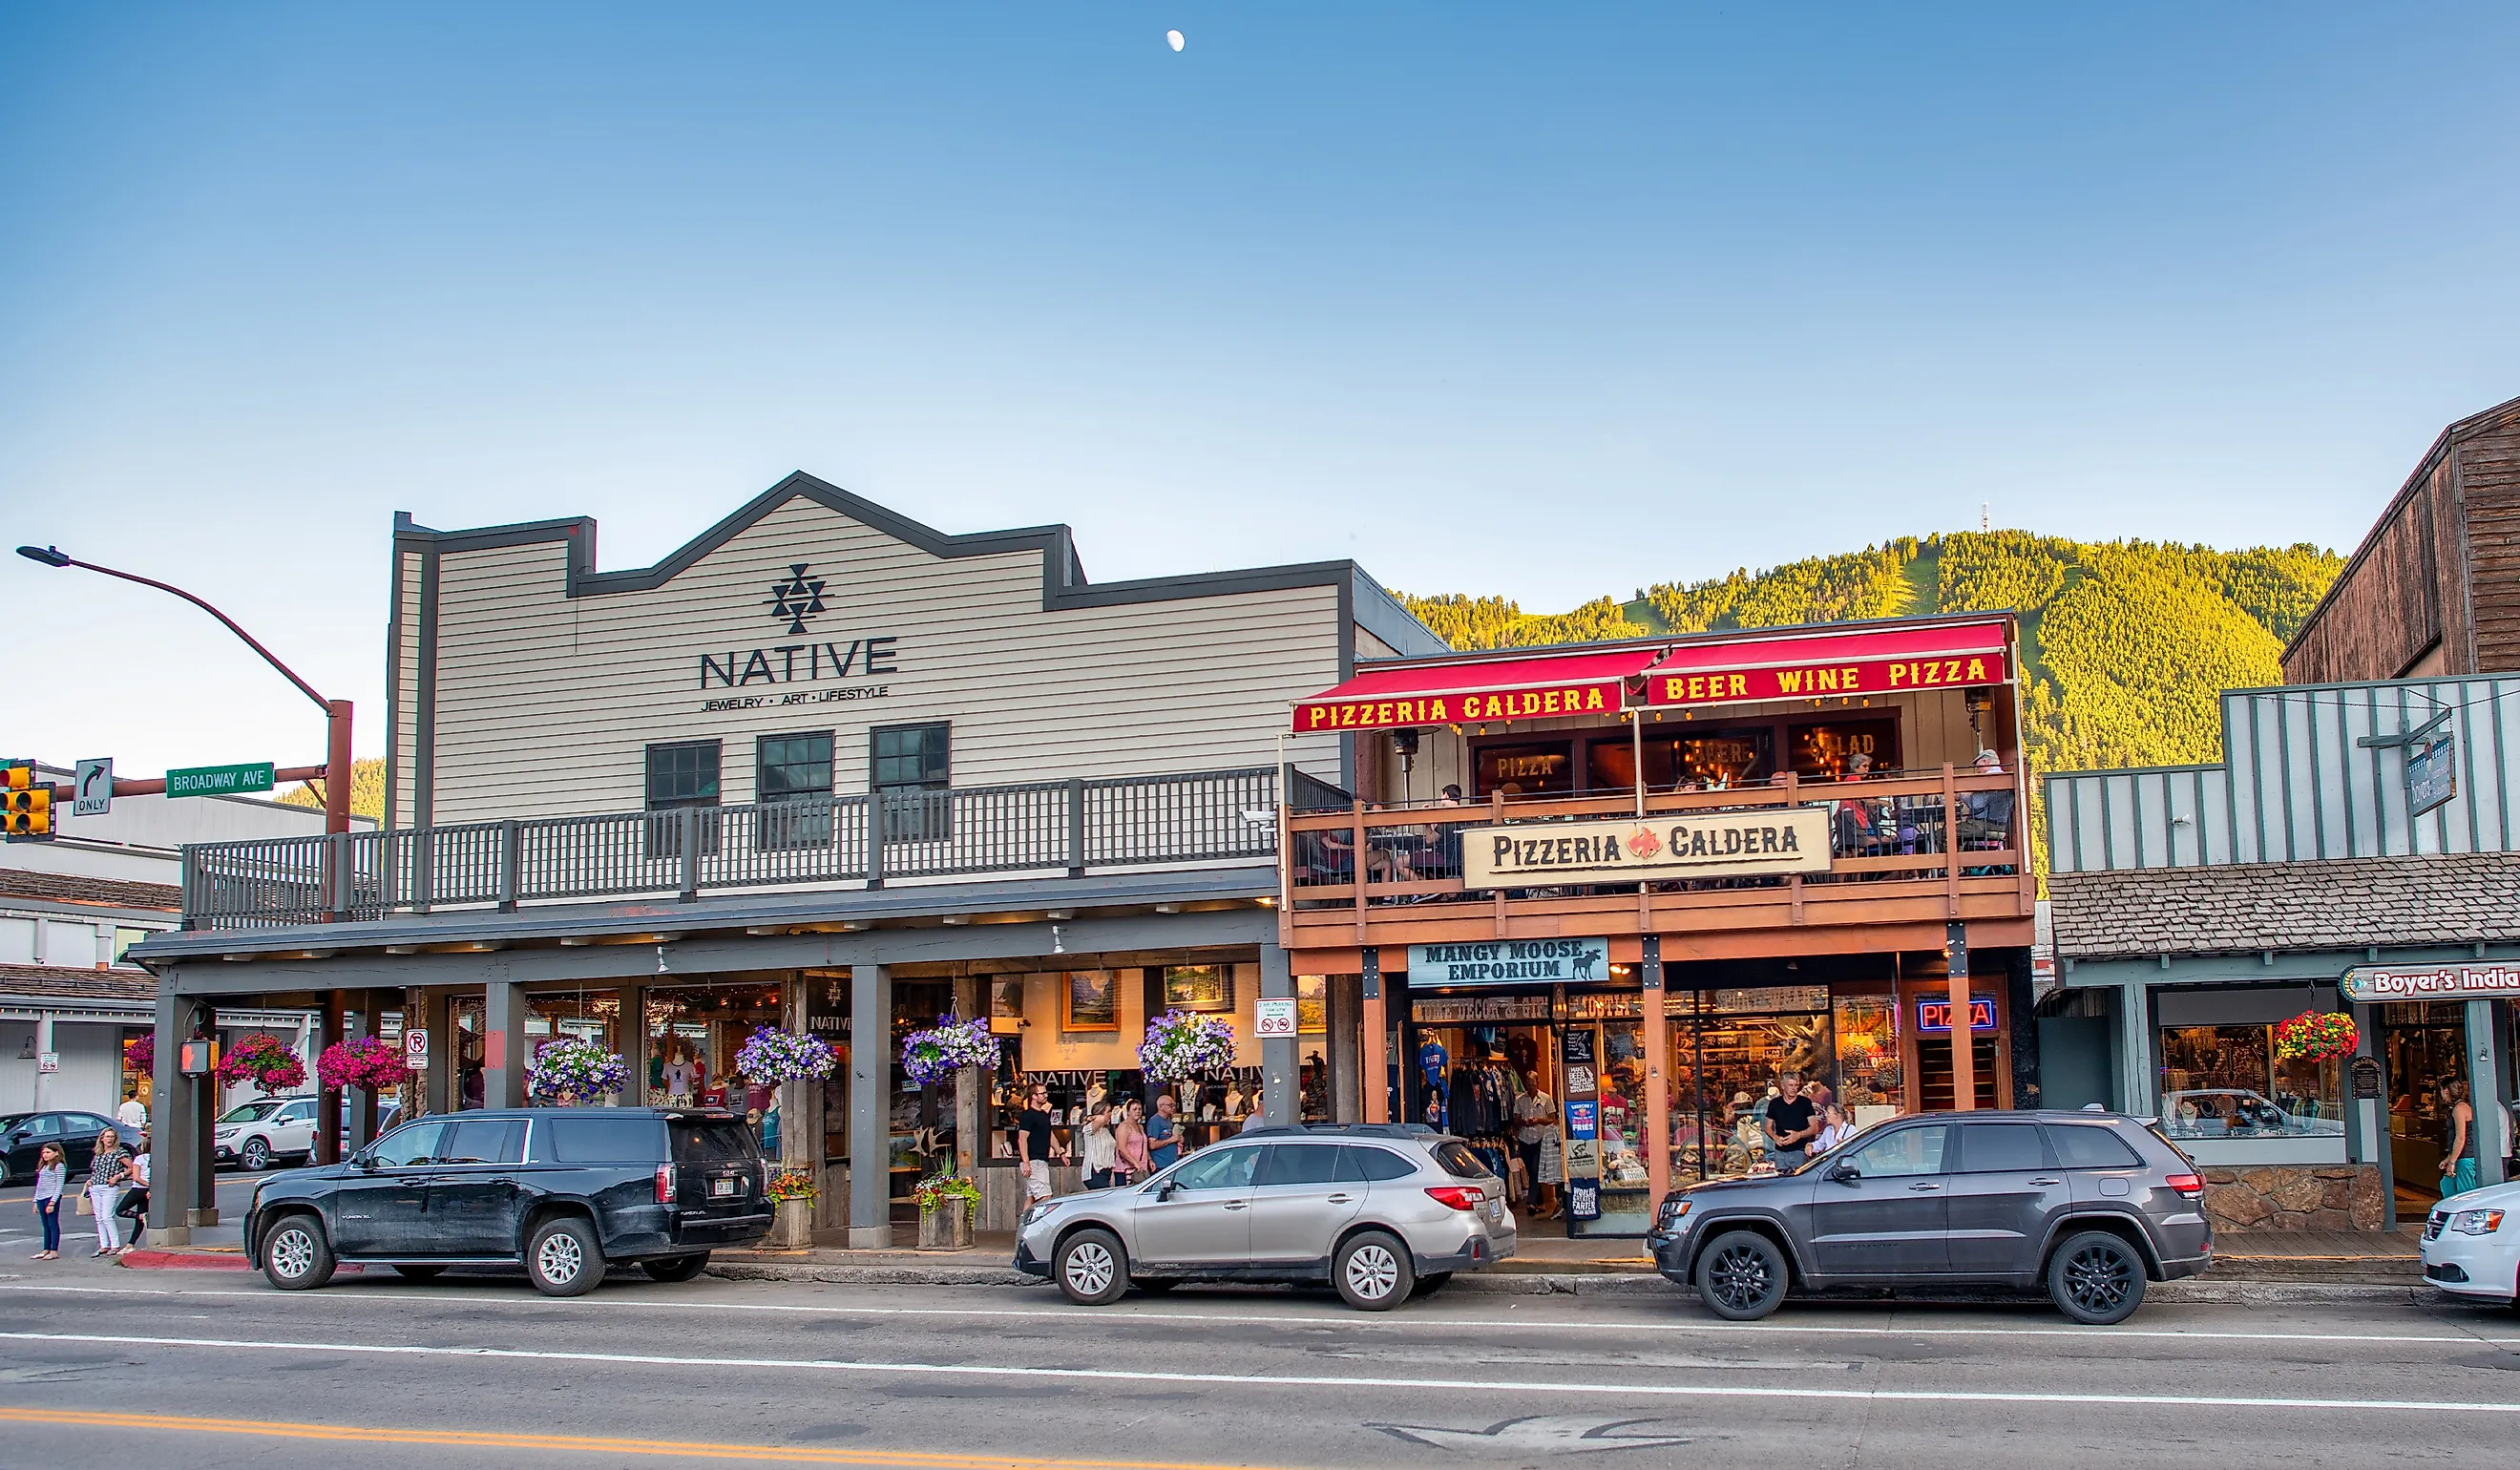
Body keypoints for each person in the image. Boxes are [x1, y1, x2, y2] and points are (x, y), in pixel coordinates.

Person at [1512, 1068, 1560, 1220]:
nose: (1530, 1088)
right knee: (1531, 1170)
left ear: (1537, 1084)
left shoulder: (1546, 1098)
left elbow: (1553, 1119)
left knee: (1535, 1169)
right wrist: (1522, 1122)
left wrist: (1539, 1121)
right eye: (1528, 1085)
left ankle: (1531, 1202)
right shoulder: (1520, 1100)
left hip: (1541, 1138)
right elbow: (1516, 1119)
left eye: (1532, 1085)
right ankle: (1540, 1204)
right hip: (1525, 1138)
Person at [85, 1126, 133, 1258]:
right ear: (102, 1138)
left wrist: (119, 1176)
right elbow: (95, 1170)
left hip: (109, 1187)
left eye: (112, 1137)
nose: (109, 1139)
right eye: (107, 1137)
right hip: (95, 1186)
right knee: (99, 1218)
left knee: (107, 1216)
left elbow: (131, 1167)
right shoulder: (98, 1154)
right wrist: (90, 1181)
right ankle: (104, 1245)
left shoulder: (119, 1153)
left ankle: (115, 1245)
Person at [1763, 1073, 1820, 1169]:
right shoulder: (1775, 1103)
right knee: (1781, 1181)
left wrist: (1798, 1135)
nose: (1794, 1088)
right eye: (1790, 1085)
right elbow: (1768, 1127)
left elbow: (1814, 1128)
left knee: (1799, 1182)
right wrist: (1775, 1137)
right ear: (1783, 1086)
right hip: (1780, 1153)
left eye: (1796, 1085)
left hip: (1800, 1151)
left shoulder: (1805, 1102)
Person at [1017, 1082, 1057, 1204]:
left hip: (1042, 1160)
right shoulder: (1028, 1115)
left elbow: (1050, 1135)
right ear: (1034, 1096)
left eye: (1046, 1092)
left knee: (1032, 1198)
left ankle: (1024, 1222)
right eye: (1042, 1093)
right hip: (1033, 1161)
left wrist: (1061, 1152)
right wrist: (1026, 1162)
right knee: (1045, 1197)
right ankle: (1040, 1222)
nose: (1046, 1095)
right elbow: (1022, 1139)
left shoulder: (1044, 1115)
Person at [2441, 1080, 2479, 1199]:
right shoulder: (2458, 1107)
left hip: (2465, 1156)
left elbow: (2461, 1137)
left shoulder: (2459, 1109)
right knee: (2447, 1184)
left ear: (2446, 1091)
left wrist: (2452, 1161)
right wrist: (2449, 1158)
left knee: (2465, 1193)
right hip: (2460, 1155)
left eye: (2441, 1091)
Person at [115, 1137, 152, 1254]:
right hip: (148, 1190)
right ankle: (130, 1244)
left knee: (120, 1210)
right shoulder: (156, 1159)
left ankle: (141, 1216)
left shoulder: (139, 1159)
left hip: (138, 1189)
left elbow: (136, 1177)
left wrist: (146, 1184)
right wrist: (151, 1187)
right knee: (141, 1216)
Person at [31, 1142, 65, 1260]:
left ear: (56, 1153)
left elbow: (59, 1186)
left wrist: (52, 1202)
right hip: (41, 1197)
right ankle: (46, 1248)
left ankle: (54, 1250)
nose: (45, 1155)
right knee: (45, 1225)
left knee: (52, 1223)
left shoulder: (59, 1166)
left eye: (48, 1152)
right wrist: (35, 1201)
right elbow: (39, 1185)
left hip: (51, 1197)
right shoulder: (44, 1167)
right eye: (43, 1153)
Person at [1113, 1098, 1153, 1186]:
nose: (1138, 1111)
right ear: (1128, 1112)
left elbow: (1143, 1145)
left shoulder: (1140, 1127)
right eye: (1134, 1109)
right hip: (1125, 1169)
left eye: (1139, 1109)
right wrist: (1135, 1163)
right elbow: (1122, 1148)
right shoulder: (1124, 1126)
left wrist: (1150, 1160)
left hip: (1141, 1168)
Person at [1080, 1102, 1119, 1188]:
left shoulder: (1106, 1130)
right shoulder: (1089, 1128)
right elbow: (1100, 1119)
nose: (1110, 1114)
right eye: (1108, 1111)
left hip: (1106, 1170)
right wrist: (1092, 1117)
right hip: (1095, 1171)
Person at [1146, 1093, 1183, 1172]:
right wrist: (1170, 1140)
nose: (1173, 1107)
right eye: (1170, 1105)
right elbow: (1152, 1145)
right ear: (1160, 1106)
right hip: (1161, 1165)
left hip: (1172, 1162)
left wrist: (1178, 1139)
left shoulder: (1168, 1120)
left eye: (1174, 1105)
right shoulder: (1154, 1121)